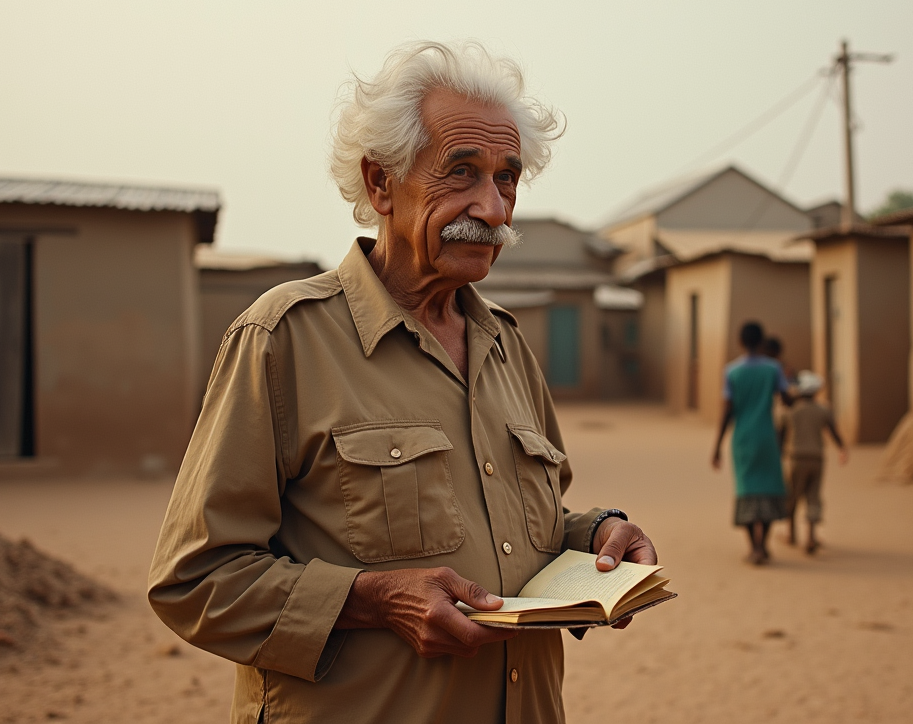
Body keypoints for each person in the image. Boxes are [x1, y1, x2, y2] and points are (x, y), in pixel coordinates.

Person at [147, 41, 657, 724]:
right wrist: (372, 599)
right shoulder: (284, 339)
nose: (497, 208)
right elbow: (195, 579)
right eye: (462, 172)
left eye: (508, 178)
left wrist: (597, 537)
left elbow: (517, 533)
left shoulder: (507, 344)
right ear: (381, 184)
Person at [711, 321, 792, 565]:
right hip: (767, 436)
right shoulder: (773, 369)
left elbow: (727, 411)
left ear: (740, 342)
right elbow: (787, 400)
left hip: (743, 438)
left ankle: (753, 546)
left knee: (746, 490)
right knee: (767, 488)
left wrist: (716, 446)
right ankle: (763, 545)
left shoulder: (732, 372)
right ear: (762, 342)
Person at [778, 370, 848, 554]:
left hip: (795, 459)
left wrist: (778, 456)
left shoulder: (790, 412)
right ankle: (811, 537)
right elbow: (833, 432)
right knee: (813, 496)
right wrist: (842, 449)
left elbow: (780, 436)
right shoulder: (824, 410)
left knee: (792, 496)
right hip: (817, 459)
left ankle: (791, 534)